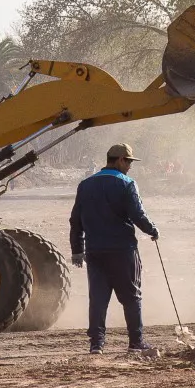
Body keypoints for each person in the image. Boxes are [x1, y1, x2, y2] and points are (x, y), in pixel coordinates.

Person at [69, 143, 158, 354]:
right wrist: (152, 230)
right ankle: (136, 342)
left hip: (95, 251)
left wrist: (77, 250)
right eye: (128, 162)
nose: (130, 166)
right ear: (119, 160)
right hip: (122, 250)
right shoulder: (127, 184)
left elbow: (75, 220)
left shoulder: (85, 184)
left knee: (98, 299)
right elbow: (137, 215)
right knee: (132, 296)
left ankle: (96, 345)